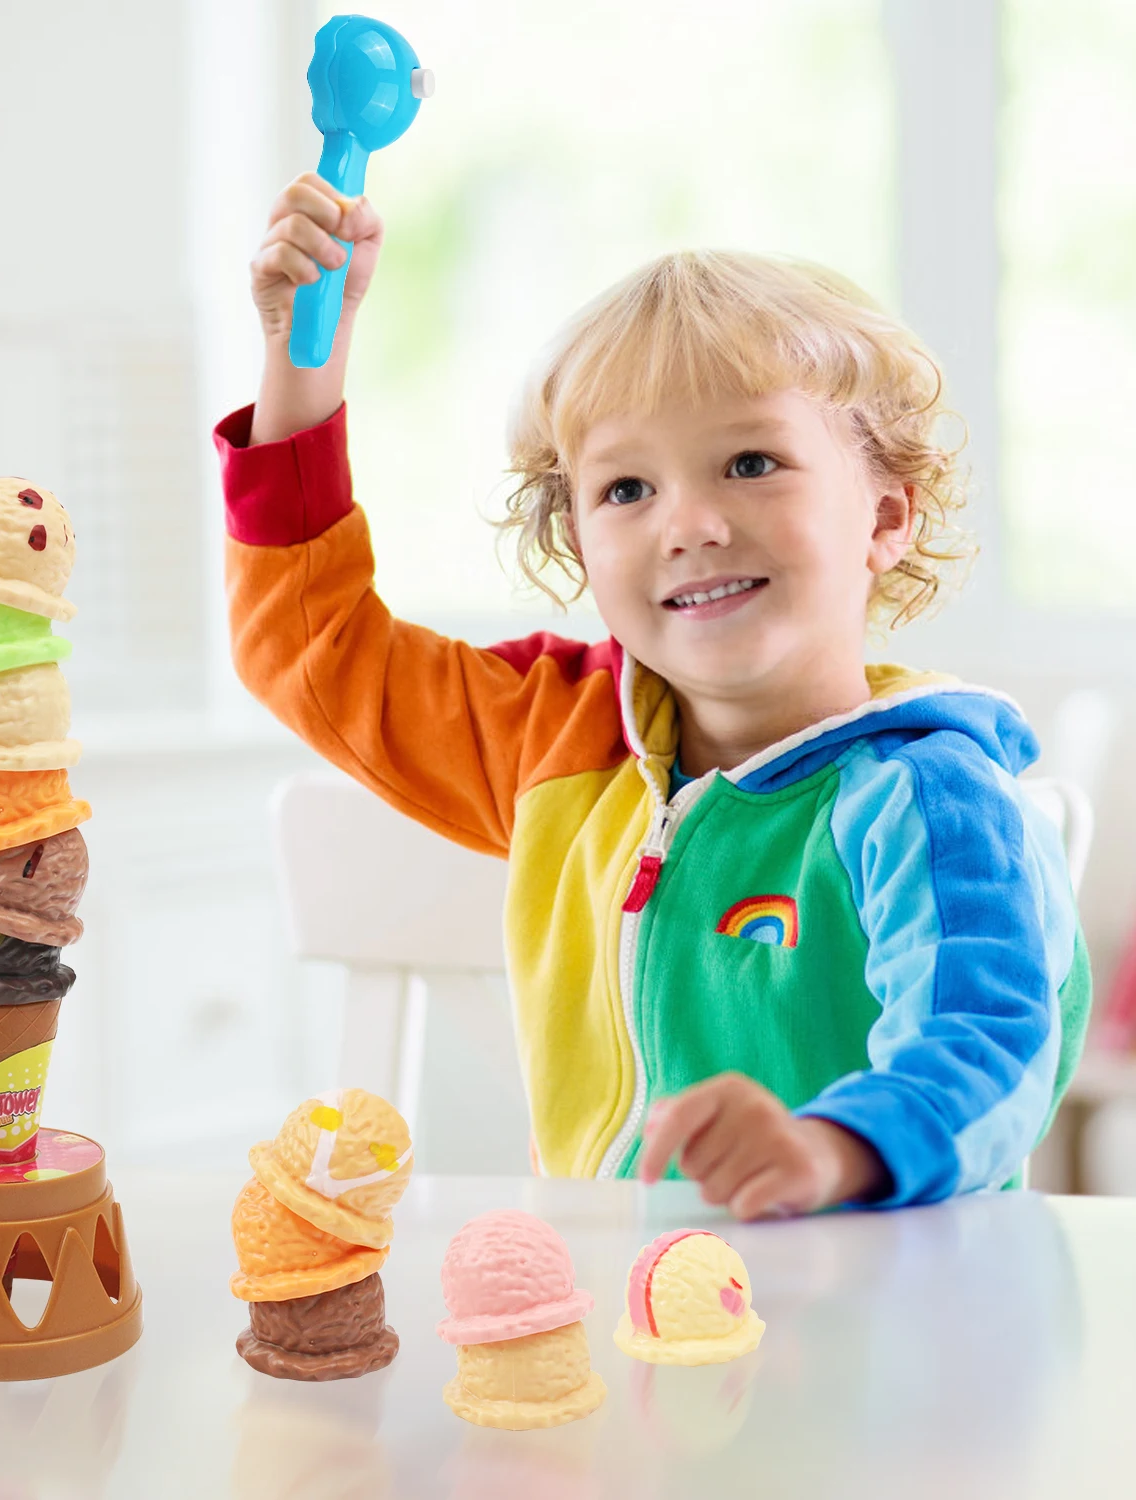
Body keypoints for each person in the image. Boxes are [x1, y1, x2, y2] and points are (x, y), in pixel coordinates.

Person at [212, 174, 1090, 1219]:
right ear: (577, 540)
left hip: (876, 1322)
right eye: (627, 489)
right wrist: (301, 352)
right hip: (621, 1324)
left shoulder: (932, 796)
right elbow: (314, 652)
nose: (690, 524)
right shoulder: (557, 735)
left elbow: (987, 1041)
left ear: (886, 517)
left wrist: (833, 1150)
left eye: (751, 462)